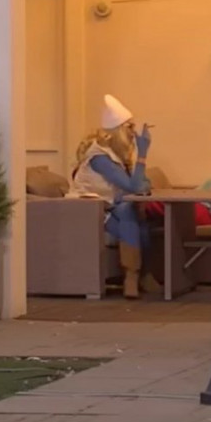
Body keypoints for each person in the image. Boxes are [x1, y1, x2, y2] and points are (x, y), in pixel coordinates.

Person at [70, 94, 158, 299]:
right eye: (130, 127)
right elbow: (133, 185)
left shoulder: (117, 155)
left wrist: (139, 182)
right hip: (91, 210)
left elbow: (142, 185)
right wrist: (143, 153)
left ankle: (138, 276)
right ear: (118, 130)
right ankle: (134, 276)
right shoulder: (99, 156)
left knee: (137, 216)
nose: (134, 133)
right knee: (131, 213)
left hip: (113, 206)